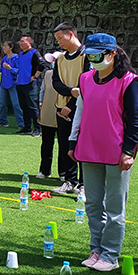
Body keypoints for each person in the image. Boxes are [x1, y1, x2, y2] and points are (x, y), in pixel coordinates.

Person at [68, 33, 138, 272]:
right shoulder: (85, 79)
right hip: (88, 149)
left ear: (112, 54)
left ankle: (111, 255)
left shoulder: (128, 80)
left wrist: (129, 151)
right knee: (92, 205)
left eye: (97, 55)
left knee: (114, 208)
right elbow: (80, 111)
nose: (93, 59)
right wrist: (72, 142)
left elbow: (136, 118)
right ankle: (96, 249)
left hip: (116, 151)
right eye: (89, 55)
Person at [50, 23, 88, 195]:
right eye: (56, 39)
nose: (59, 42)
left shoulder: (87, 56)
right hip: (61, 108)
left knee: (82, 145)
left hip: (82, 108)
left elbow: (87, 84)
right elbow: (56, 82)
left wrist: (71, 105)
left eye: (60, 38)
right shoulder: (60, 59)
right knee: (65, 145)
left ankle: (84, 184)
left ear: (71, 34)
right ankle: (70, 181)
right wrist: (69, 92)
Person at [36, 52, 62, 179]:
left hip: (63, 112)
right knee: (46, 143)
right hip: (47, 111)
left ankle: (64, 172)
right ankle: (45, 170)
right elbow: (43, 91)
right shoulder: (47, 74)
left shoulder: (68, 74)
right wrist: (41, 105)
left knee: (64, 144)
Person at [14, 35, 44, 136]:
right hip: (20, 83)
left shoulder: (34, 52)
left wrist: (35, 76)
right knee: (24, 106)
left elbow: (42, 64)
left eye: (23, 41)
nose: (20, 43)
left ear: (29, 43)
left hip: (29, 84)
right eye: (20, 41)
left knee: (32, 106)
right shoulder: (21, 54)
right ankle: (26, 127)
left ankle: (37, 128)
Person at [0, 40, 23, 129]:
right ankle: (2, 121)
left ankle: (21, 123)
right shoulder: (4, 58)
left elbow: (18, 71)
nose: (4, 48)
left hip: (13, 84)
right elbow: (1, 70)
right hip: (3, 84)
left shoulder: (16, 58)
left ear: (11, 48)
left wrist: (10, 68)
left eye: (5, 46)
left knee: (16, 104)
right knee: (1, 103)